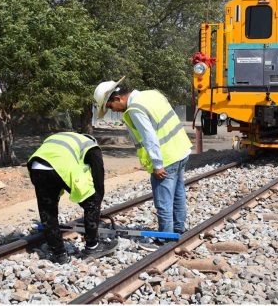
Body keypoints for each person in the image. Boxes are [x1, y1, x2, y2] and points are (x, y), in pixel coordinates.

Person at [94, 78, 192, 249]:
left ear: (118, 99)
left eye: (110, 106)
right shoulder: (152, 94)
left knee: (163, 201)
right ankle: (179, 229)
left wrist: (157, 164)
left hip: (166, 157)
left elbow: (150, 137)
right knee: (178, 193)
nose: (113, 111)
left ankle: (165, 239)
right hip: (181, 149)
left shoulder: (135, 109)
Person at [28, 132, 118, 264]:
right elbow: (98, 178)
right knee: (91, 202)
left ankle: (59, 254)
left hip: (36, 166)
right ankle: (93, 246)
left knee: (48, 210)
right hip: (61, 167)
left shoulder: (62, 138)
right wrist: (96, 204)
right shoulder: (91, 146)